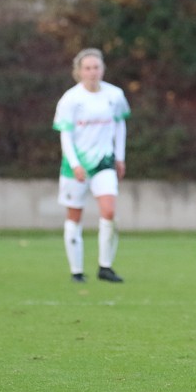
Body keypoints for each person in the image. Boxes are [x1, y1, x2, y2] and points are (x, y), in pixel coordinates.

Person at [53, 48, 131, 283]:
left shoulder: (114, 95)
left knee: (109, 210)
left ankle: (105, 267)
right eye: (87, 68)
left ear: (103, 69)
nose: (92, 72)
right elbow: (65, 135)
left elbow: (120, 125)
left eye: (96, 67)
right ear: (79, 71)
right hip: (75, 167)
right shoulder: (70, 99)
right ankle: (76, 269)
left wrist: (119, 156)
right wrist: (75, 164)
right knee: (74, 216)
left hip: (104, 162)